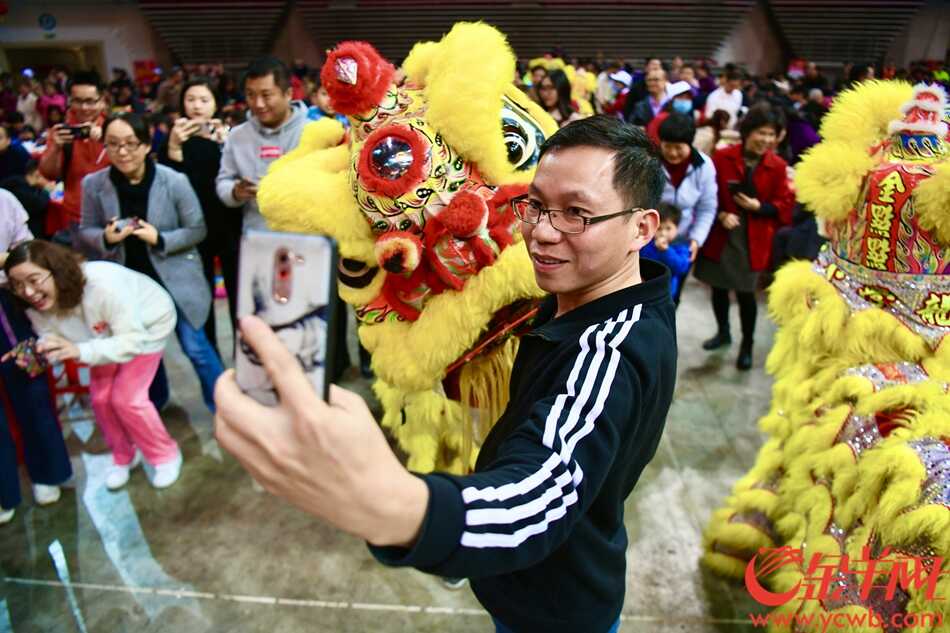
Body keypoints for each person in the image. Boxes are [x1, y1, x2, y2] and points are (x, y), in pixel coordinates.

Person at [214, 116, 677, 633]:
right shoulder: (592, 299)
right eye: (537, 205)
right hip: (536, 582)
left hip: (555, 610)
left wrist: (381, 501)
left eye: (577, 214)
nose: (543, 232)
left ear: (642, 228)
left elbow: (537, 498)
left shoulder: (608, 350)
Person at [4, 240, 181, 490]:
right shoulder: (32, 305)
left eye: (34, 280)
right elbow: (50, 336)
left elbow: (131, 340)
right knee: (100, 400)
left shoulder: (102, 285)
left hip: (146, 328)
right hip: (98, 338)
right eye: (18, 285)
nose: (29, 292)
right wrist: (32, 354)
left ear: (55, 271)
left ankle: (165, 455)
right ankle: (124, 456)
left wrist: (80, 350)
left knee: (127, 399)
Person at [78, 112, 224, 412]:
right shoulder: (93, 184)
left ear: (146, 145)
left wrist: (160, 238)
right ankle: (156, 403)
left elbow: (197, 230)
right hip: (127, 283)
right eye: (113, 144)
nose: (122, 152)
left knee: (196, 347)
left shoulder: (173, 181)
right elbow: (84, 231)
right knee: (142, 349)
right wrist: (106, 238)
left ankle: (224, 405)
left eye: (131, 143)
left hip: (176, 278)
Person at [694, 105, 794, 370]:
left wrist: (759, 207)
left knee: (747, 294)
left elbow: (784, 204)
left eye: (771, 134)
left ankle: (747, 344)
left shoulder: (778, 166)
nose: (766, 139)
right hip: (722, 235)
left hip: (753, 239)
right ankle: (723, 332)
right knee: (718, 287)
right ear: (748, 131)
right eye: (761, 132)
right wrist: (721, 214)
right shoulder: (722, 157)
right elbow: (708, 193)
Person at [0, 203, 71, 523]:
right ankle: (4, 492)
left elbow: (29, 253)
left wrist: (6, 261)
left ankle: (49, 473)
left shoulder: (4, 200)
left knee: (31, 387)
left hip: (10, 303)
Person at [159, 77, 240, 353]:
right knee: (201, 297)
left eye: (204, 100)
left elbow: (237, 177)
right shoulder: (173, 139)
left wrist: (225, 144)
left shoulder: (229, 136)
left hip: (228, 225)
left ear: (215, 104)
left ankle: (244, 356)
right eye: (191, 99)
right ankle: (212, 358)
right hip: (193, 228)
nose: (197, 106)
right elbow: (169, 185)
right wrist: (173, 148)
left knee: (238, 294)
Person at [216, 57, 308, 231]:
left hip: (306, 234)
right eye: (251, 95)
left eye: (266, 95)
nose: (258, 104)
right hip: (257, 234)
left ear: (288, 94)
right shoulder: (237, 136)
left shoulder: (314, 132)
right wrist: (235, 192)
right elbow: (224, 181)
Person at [37, 71, 111, 233]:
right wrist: (56, 148)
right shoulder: (61, 131)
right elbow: (48, 174)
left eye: (90, 101)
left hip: (114, 212)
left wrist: (108, 140)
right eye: (77, 101)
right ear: (70, 101)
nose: (84, 108)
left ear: (102, 101)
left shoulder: (114, 128)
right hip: (77, 214)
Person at [655, 113, 718, 301]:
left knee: (673, 292)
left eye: (678, 147)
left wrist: (696, 239)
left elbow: (707, 207)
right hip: (651, 237)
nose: (673, 153)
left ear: (689, 144)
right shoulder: (650, 162)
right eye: (667, 146)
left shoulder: (704, 166)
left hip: (682, 241)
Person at [640, 202, 691, 300]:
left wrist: (666, 251)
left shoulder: (681, 245)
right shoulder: (647, 242)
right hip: (645, 288)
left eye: (668, 228)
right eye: (659, 228)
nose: (663, 233)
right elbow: (642, 261)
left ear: (677, 228)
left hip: (666, 293)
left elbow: (681, 268)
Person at [2, 159, 52, 239]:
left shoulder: (15, 180)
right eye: (48, 177)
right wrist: (46, 190)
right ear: (37, 174)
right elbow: (39, 204)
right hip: (26, 236)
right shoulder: (19, 188)